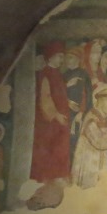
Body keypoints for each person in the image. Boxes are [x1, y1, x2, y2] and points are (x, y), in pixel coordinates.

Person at [71, 85, 107, 189]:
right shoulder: (92, 118)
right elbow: (99, 142)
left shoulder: (103, 119)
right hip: (88, 163)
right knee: (88, 190)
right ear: (101, 101)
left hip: (97, 162)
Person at [30, 41, 71, 183]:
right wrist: (55, 115)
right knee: (49, 147)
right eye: (59, 56)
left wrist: (68, 104)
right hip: (50, 122)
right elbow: (45, 97)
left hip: (61, 119)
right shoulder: (45, 73)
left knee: (61, 147)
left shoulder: (58, 74)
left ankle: (57, 176)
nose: (62, 60)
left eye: (62, 56)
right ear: (51, 56)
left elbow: (59, 94)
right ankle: (47, 178)